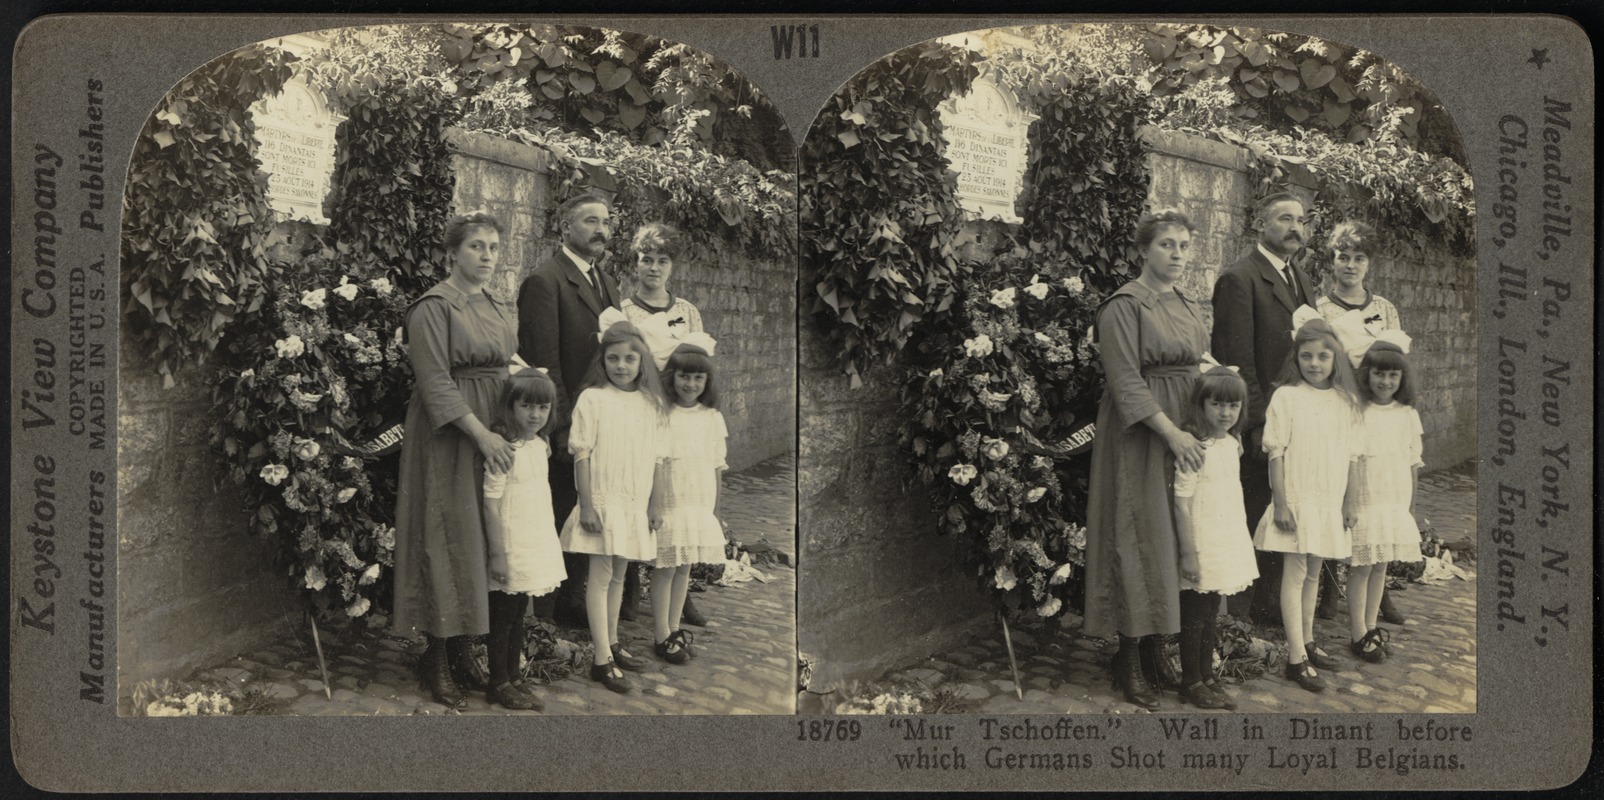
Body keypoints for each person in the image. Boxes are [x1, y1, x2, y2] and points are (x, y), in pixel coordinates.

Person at [1084, 209, 1209, 710]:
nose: (1177, 255)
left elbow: (1199, 362)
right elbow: (1126, 379)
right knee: (1136, 533)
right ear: (1143, 250)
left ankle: (1160, 650)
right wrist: (1171, 432)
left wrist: (1212, 419)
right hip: (1142, 432)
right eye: (1167, 246)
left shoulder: (1185, 301)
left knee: (1172, 537)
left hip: (1184, 425)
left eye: (1183, 245)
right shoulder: (1124, 305)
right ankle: (1128, 658)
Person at [393, 212, 518, 709]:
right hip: (450, 434)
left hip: (491, 427)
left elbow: (507, 364)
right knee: (445, 535)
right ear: (453, 253)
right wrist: (481, 433)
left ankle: (466, 650)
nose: (487, 256)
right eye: (476, 247)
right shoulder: (433, 307)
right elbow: (436, 381)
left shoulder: (493, 303)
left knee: (479, 540)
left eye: (492, 247)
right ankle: (436, 657)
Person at [1210, 191, 1319, 626]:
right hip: (1261, 422)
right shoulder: (1240, 278)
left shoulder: (1301, 278)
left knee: (1283, 512)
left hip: (1296, 422)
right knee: (1252, 513)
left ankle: (1272, 608)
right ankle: (1240, 618)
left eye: (1301, 221)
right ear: (1260, 224)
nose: (1295, 228)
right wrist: (1254, 424)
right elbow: (1237, 361)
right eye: (1284, 219)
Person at [517, 195, 623, 627]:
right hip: (566, 421)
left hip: (601, 421)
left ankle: (572, 602)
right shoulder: (546, 281)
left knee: (586, 508)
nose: (601, 229)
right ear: (564, 227)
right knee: (558, 511)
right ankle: (543, 617)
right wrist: (560, 425)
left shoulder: (608, 282)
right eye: (589, 221)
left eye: (605, 222)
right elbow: (546, 363)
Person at [1252, 313, 1362, 692]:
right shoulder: (1287, 397)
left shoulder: (1345, 402)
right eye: (1307, 357)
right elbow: (1276, 454)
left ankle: (1308, 640)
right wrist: (1281, 504)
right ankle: (1295, 657)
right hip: (1298, 498)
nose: (1314, 364)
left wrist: (1349, 502)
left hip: (1328, 498)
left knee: (1315, 572)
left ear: (1336, 360)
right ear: (1296, 358)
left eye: (1323, 357)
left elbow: (1352, 456)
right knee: (1295, 573)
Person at [559, 316, 669, 693]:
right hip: (604, 500)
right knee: (602, 574)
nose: (621, 366)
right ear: (602, 361)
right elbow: (582, 455)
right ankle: (600, 658)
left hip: (634, 501)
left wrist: (655, 505)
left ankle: (613, 643)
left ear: (642, 363)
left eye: (629, 359)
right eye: (613, 359)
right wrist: (587, 505)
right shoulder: (593, 398)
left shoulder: (651, 405)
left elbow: (657, 459)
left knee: (621, 575)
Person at [1314, 220, 1410, 627]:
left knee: (1375, 501)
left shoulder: (1383, 308)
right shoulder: (1321, 309)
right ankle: (1330, 591)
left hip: (1376, 415)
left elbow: (1396, 362)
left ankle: (1379, 593)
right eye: (1343, 257)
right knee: (1338, 498)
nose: (1350, 266)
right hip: (1338, 410)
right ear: (1332, 261)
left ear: (1369, 263)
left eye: (1359, 258)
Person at [619, 221, 713, 627]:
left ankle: (680, 592)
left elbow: (698, 364)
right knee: (639, 499)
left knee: (678, 502)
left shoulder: (686, 311)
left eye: (662, 261)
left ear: (672, 266)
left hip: (678, 416)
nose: (653, 268)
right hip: (640, 412)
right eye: (646, 260)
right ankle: (628, 595)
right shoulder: (624, 310)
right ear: (635, 264)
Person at [1172, 365, 1258, 710]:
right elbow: (1181, 502)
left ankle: (1207, 675)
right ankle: (1189, 680)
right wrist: (1190, 553)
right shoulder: (1196, 447)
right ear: (1201, 404)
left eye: (1233, 406)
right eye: (1217, 405)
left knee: (1210, 611)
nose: (1225, 413)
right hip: (1201, 539)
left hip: (1224, 537)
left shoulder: (1232, 444)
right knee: (1195, 612)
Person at [481, 367, 567, 710]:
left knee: (519, 612)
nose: (535, 415)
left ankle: (514, 676)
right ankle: (497, 681)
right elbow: (490, 504)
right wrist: (498, 554)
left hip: (534, 538)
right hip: (511, 541)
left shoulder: (540, 446)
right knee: (503, 615)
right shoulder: (505, 449)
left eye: (542, 408)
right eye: (527, 406)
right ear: (510, 406)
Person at [1346, 338, 1425, 663]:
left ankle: (1370, 626)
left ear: (1402, 379)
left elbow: (1413, 462)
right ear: (1367, 375)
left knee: (1380, 567)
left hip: (1393, 497)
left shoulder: (1407, 414)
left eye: (1393, 376)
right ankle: (1357, 633)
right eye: (1379, 374)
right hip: (1366, 497)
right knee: (1362, 567)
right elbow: (1350, 458)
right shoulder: (1357, 411)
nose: (1385, 382)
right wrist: (1349, 502)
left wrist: (1410, 506)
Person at [652, 340, 728, 665]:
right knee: (666, 567)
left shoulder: (711, 416)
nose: (691, 385)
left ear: (707, 382)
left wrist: (714, 510)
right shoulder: (662, 413)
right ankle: (660, 635)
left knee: (684, 568)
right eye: (684, 377)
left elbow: (717, 465)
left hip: (698, 499)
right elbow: (655, 460)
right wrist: (653, 504)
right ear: (672, 377)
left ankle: (674, 629)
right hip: (672, 498)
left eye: (698, 379)